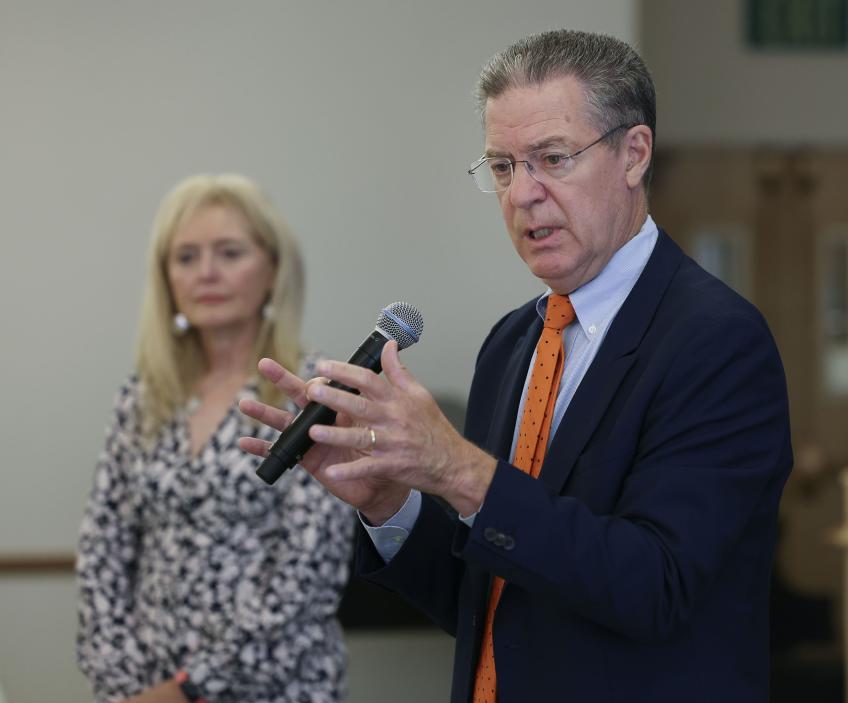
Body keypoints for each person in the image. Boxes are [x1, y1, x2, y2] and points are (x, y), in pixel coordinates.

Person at [240, 29, 792, 703]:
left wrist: (459, 469)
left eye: (552, 159)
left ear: (633, 154)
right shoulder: (512, 344)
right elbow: (493, 604)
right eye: (502, 167)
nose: (522, 194)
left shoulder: (717, 340)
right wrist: (391, 506)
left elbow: (658, 587)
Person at [76, 174, 355, 703]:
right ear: (166, 277)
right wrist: (124, 685)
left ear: (273, 269)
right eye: (185, 257)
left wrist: (188, 691)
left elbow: (304, 580)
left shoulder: (312, 391)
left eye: (229, 253)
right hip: (141, 685)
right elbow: (101, 554)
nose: (206, 273)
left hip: (274, 685)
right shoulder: (143, 398)